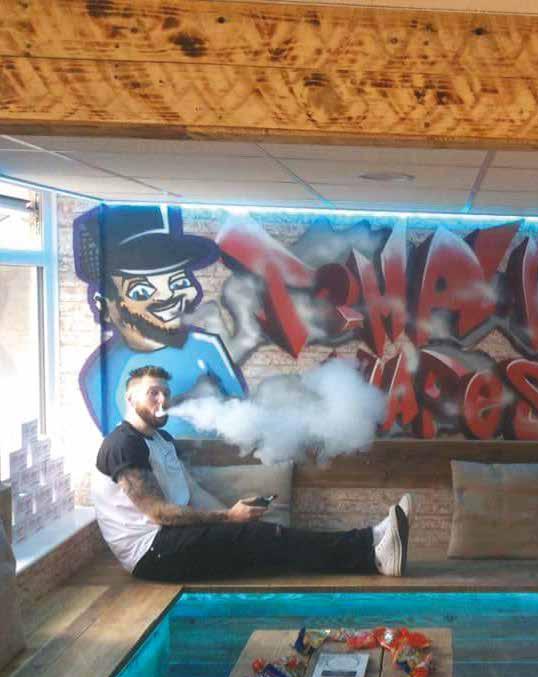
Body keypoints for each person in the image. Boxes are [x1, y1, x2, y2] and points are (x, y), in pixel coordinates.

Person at [92, 365, 410, 581]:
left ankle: (372, 540)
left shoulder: (162, 440)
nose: (163, 399)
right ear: (130, 398)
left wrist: (234, 517)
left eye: (165, 392)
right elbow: (159, 513)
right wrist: (229, 517)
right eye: (153, 393)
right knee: (264, 539)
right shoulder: (122, 444)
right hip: (150, 553)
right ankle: (372, 553)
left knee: (264, 536)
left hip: (172, 540)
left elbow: (193, 492)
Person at [74, 204, 246, 435]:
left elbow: (242, 412)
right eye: (141, 291)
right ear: (104, 306)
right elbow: (122, 441)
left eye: (178, 282)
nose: (168, 298)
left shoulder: (206, 347)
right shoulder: (99, 375)